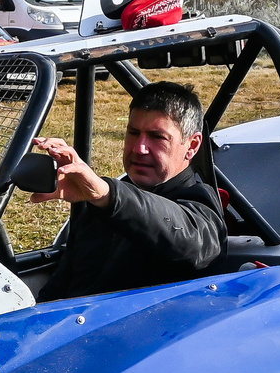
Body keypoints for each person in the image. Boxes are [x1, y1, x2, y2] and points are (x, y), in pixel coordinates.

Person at [29, 81, 224, 301]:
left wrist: (106, 194)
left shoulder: (200, 207)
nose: (139, 148)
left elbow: (190, 241)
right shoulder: (102, 207)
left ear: (192, 146)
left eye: (157, 137)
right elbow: (59, 290)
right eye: (133, 132)